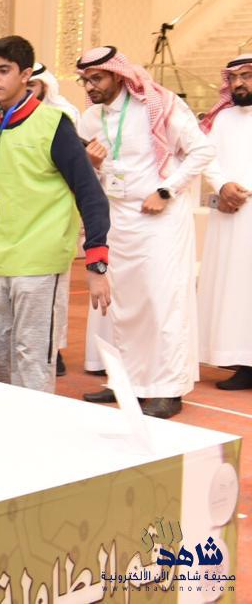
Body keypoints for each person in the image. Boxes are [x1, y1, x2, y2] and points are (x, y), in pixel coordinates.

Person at [0, 36, 110, 394]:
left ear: (24, 75)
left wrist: (97, 263)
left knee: (33, 358)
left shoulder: (54, 125)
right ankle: (16, 419)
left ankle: (37, 426)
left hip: (39, 261)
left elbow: (91, 194)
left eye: (3, 70)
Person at [76, 46, 213, 418]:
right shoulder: (91, 119)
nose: (90, 87)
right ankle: (128, 383)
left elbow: (202, 151)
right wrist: (93, 164)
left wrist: (166, 191)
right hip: (117, 219)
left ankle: (167, 389)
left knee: (161, 301)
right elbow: (90, 175)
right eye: (85, 80)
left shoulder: (159, 106)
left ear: (118, 75)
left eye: (97, 78)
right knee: (124, 305)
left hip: (160, 218)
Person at [198, 54, 252, 389]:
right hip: (230, 213)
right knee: (235, 288)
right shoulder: (223, 118)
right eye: (234, 78)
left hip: (246, 207)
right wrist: (223, 186)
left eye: (246, 76)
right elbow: (206, 158)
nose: (238, 84)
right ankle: (242, 360)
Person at [29, 61, 84, 377]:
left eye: (33, 86)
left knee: (53, 291)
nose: (27, 92)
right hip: (21, 216)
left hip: (54, 214)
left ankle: (54, 349)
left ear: (45, 86)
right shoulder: (5, 115)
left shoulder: (63, 115)